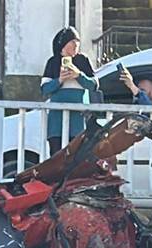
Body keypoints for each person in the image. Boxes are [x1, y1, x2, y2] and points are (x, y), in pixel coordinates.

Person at [41, 26, 99, 156]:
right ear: (63, 44)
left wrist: (79, 75)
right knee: (57, 156)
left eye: (77, 42)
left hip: (78, 119)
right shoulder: (53, 62)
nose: (75, 45)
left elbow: (94, 85)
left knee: (77, 156)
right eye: (72, 42)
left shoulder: (83, 60)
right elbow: (45, 89)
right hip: (57, 120)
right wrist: (60, 80)